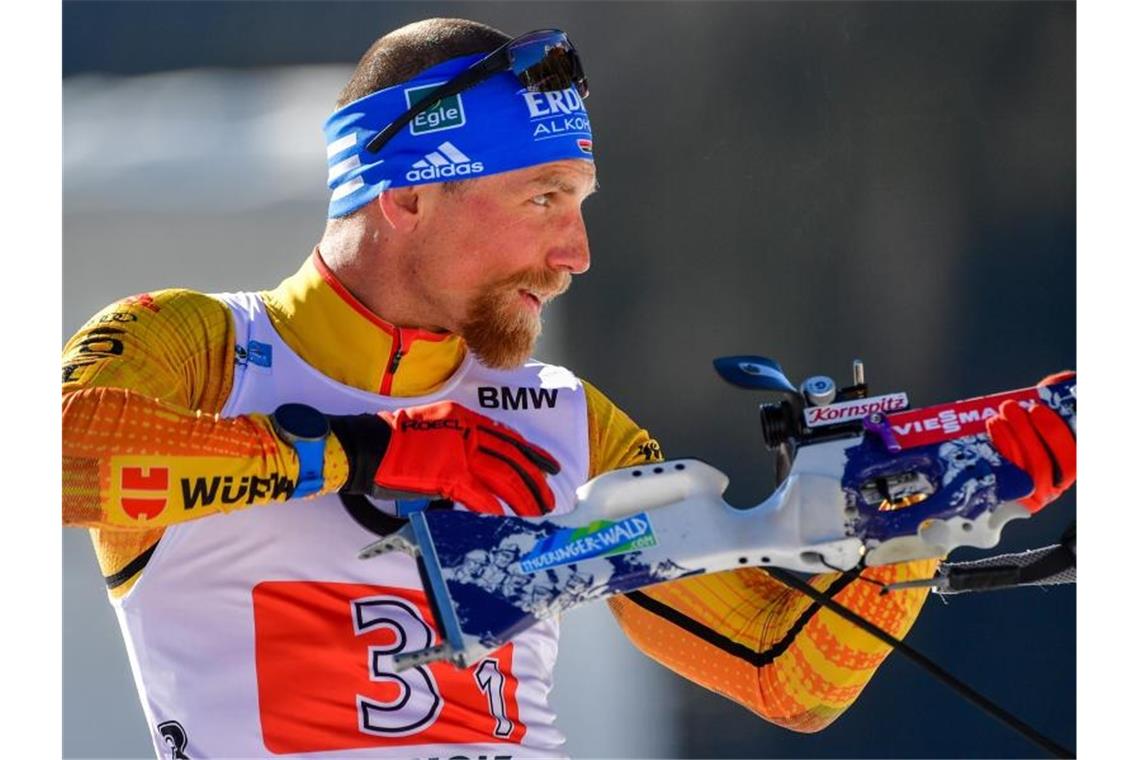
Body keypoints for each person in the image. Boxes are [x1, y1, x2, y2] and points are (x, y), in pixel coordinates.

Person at [61, 17, 1076, 759]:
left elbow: (780, 670)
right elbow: (57, 464)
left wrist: (910, 527)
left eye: (580, 201)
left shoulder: (557, 413)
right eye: (543, 197)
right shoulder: (199, 344)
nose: (576, 250)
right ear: (409, 192)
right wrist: (361, 451)